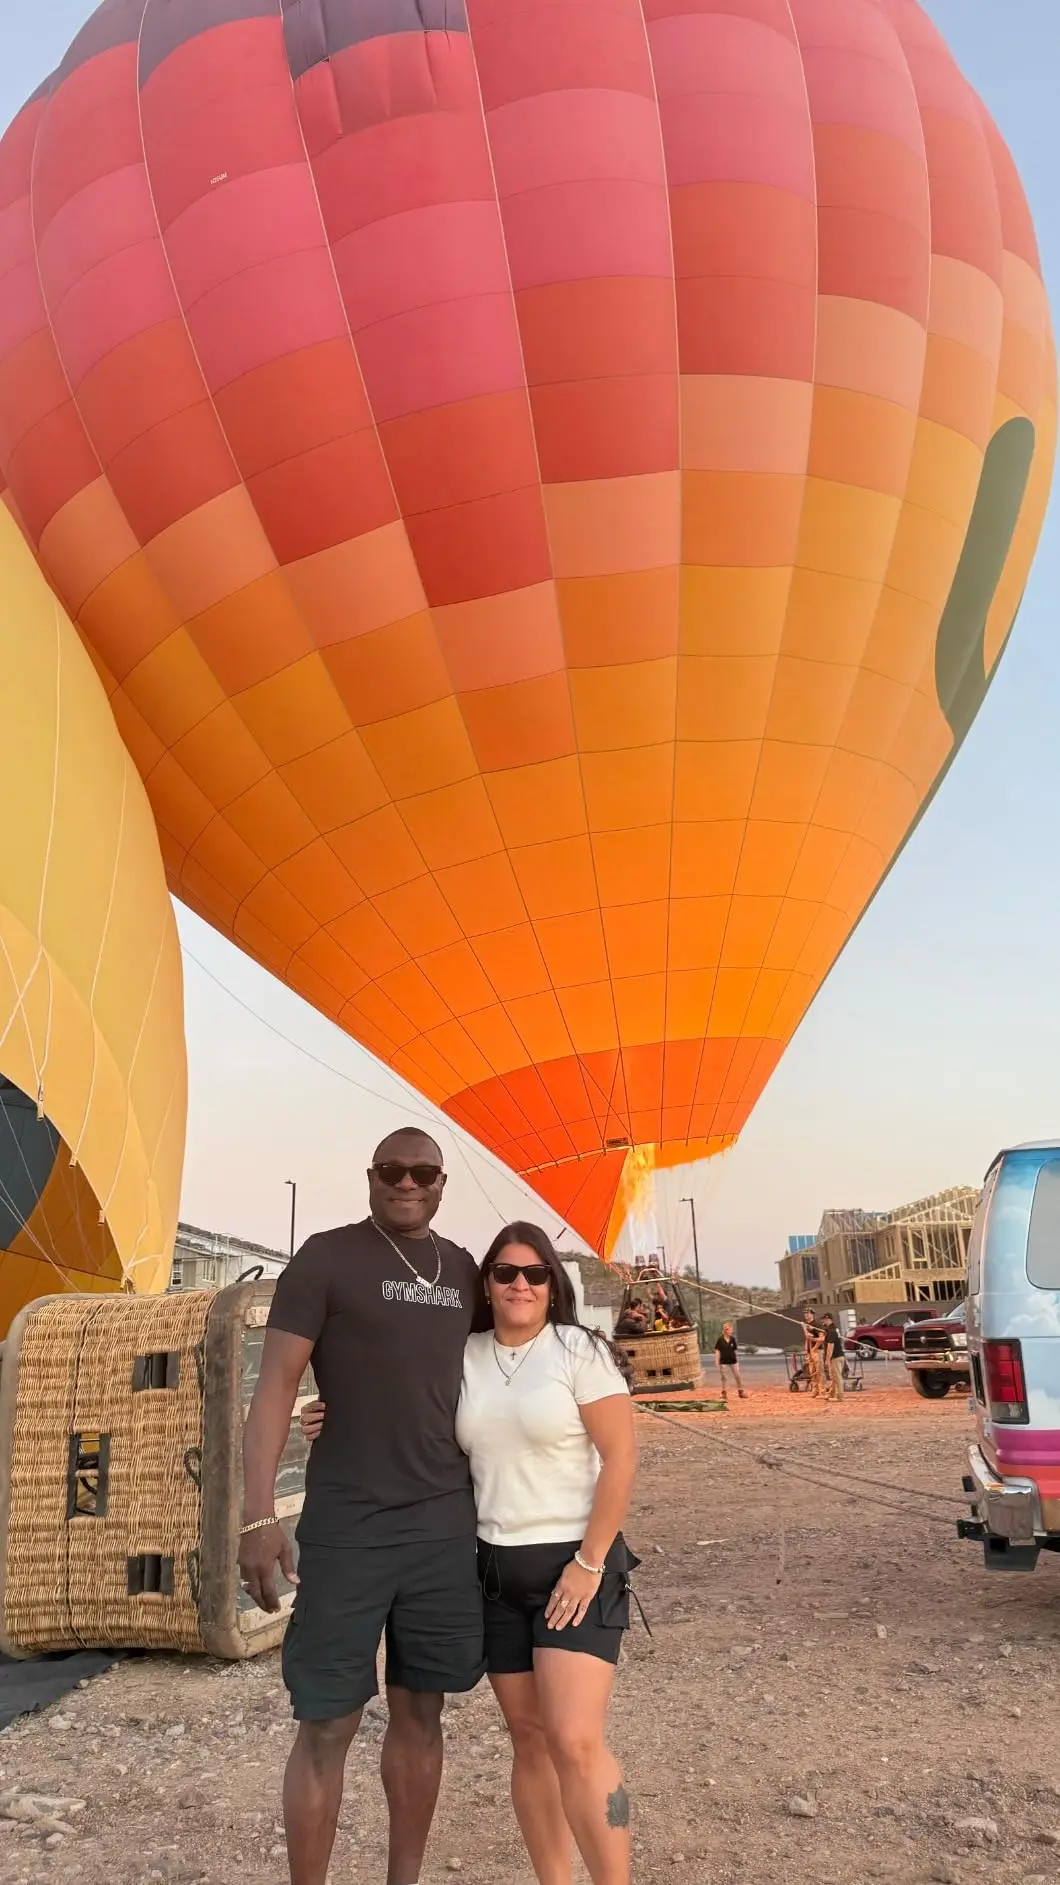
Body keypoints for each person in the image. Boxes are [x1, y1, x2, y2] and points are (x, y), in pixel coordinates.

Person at [302, 1222, 640, 1885]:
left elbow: (621, 1459)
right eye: (506, 1272)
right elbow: (400, 1403)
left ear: (553, 1285)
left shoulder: (578, 1350)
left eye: (535, 1274)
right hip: (491, 1570)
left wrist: (589, 1562)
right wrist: (330, 1412)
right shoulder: (464, 1353)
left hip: (573, 1567)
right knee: (530, 1739)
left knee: (575, 1740)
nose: (520, 1284)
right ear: (486, 1284)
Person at [238, 1128, 488, 1885]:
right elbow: (275, 1388)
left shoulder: (465, 1271)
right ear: (371, 1177)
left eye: (422, 1172)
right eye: (392, 1170)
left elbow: (501, 1375)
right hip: (347, 1528)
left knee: (422, 1713)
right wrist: (258, 1517)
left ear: (441, 1183)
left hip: (443, 1529)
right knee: (327, 1721)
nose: (406, 1182)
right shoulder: (326, 1258)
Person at [713, 1322, 746, 1399]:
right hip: (723, 1361)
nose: (730, 1332)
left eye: (731, 1330)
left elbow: (735, 1350)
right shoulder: (720, 1339)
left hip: (733, 1360)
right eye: (728, 1330)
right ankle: (724, 1393)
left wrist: (737, 1361)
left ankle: (740, 1391)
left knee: (737, 1376)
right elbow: (717, 1350)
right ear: (725, 1330)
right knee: (724, 1377)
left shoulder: (732, 1339)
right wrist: (716, 1360)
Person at [821, 1313, 845, 1402]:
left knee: (837, 1377)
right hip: (839, 1356)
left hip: (835, 1357)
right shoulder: (834, 1328)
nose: (823, 1321)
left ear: (828, 1320)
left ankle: (840, 1396)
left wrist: (827, 1359)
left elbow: (830, 1346)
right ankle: (832, 1393)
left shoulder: (831, 1331)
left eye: (824, 1319)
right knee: (834, 1377)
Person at [802, 1309, 823, 1397]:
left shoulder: (817, 1325)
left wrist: (814, 1348)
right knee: (812, 1371)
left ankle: (822, 1391)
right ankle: (815, 1390)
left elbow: (821, 1338)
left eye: (808, 1313)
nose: (806, 1315)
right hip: (810, 1351)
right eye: (805, 1313)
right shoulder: (808, 1325)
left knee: (819, 1371)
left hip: (817, 1351)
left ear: (812, 1314)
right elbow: (807, 1338)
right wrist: (806, 1350)